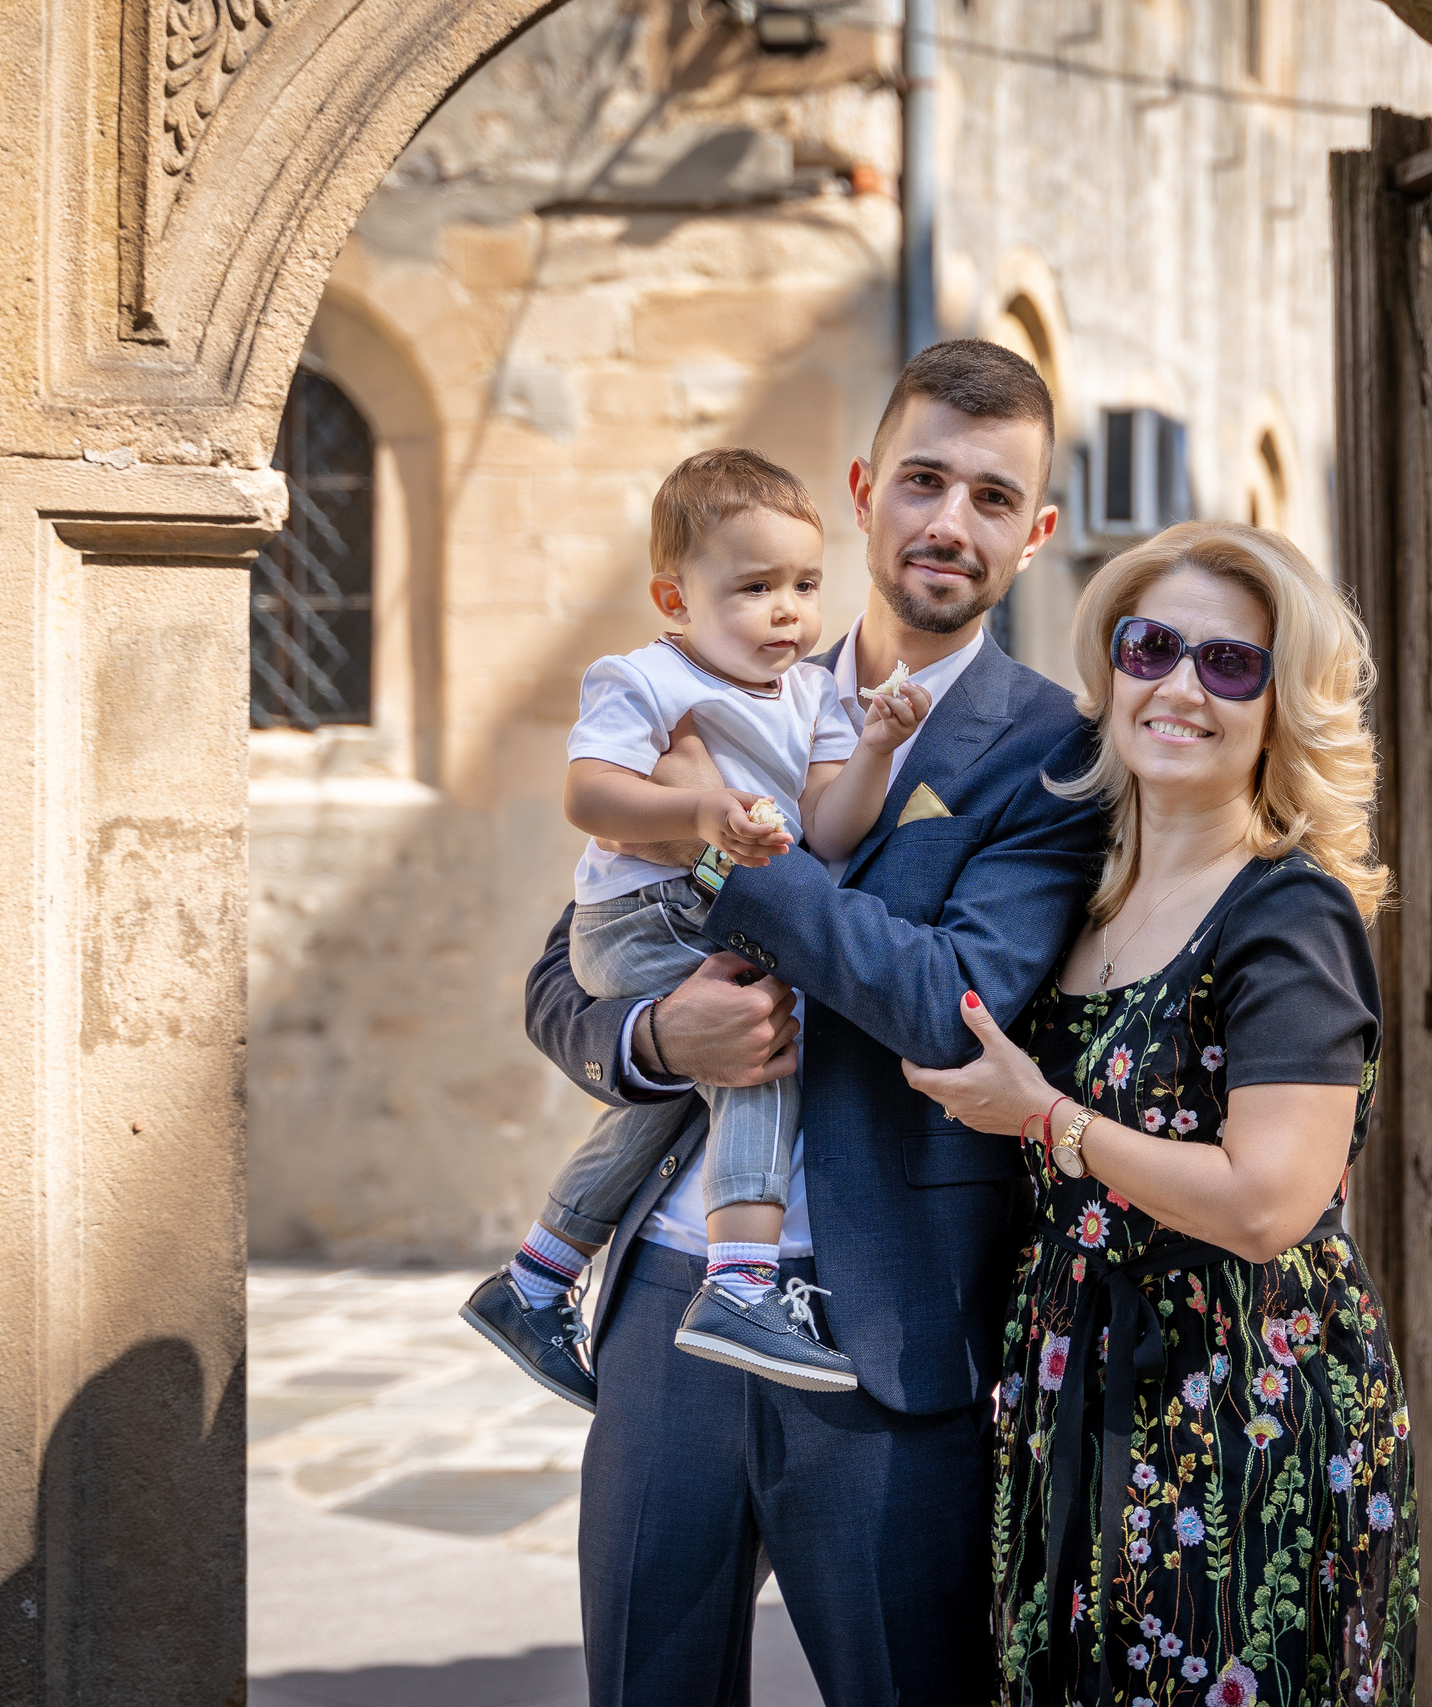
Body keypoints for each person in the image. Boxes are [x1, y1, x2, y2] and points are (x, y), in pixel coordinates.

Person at [520, 339, 1105, 1703]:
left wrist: (729, 850)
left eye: (993, 497)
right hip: (671, 1298)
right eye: (922, 480)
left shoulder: (1057, 755)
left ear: (1039, 533)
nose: (949, 522)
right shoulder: (717, 670)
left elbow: (945, 1003)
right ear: (864, 488)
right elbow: (565, 971)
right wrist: (658, 1041)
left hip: (885, 1321)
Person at [907, 522, 1419, 1703]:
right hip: (1066, 1391)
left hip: (1235, 1402)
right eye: (1151, 648)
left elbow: (1266, 1202)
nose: (1181, 686)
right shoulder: (1077, 889)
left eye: (1229, 664)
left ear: (1278, 704)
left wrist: (1046, 1118)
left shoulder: (1286, 914)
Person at [463, 448, 932, 1404]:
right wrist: (700, 813)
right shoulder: (645, 677)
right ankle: (740, 1284)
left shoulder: (813, 695)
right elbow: (589, 794)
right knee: (759, 1040)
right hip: (639, 915)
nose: (789, 610)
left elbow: (831, 822)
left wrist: (877, 746)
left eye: (804, 583)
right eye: (754, 587)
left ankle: (537, 1274)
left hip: (698, 907)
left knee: (686, 1084)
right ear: (674, 597)